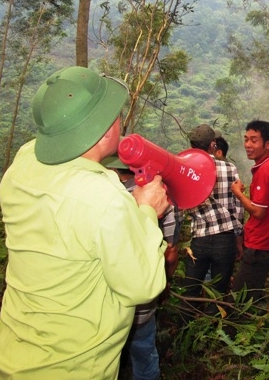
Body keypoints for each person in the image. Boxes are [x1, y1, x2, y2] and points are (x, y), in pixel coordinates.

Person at [0, 66, 169, 379]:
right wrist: (146, 211)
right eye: (115, 115)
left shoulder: (22, 163)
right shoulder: (104, 199)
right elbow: (143, 285)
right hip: (72, 365)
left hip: (12, 354)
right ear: (105, 130)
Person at [102, 157, 180, 380]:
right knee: (145, 357)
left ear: (113, 166)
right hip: (143, 308)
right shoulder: (159, 196)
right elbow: (171, 252)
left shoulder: (106, 196)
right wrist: (163, 285)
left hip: (108, 305)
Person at [180, 124, 244, 318]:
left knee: (190, 291)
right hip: (224, 239)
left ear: (191, 145)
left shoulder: (185, 169)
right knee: (217, 292)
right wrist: (239, 238)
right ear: (213, 144)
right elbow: (238, 205)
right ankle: (211, 333)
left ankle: (184, 332)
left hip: (198, 239)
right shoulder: (229, 168)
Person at [231, 120, 269, 303]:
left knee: (241, 297)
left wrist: (238, 193)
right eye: (246, 139)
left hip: (261, 244)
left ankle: (234, 329)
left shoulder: (266, 170)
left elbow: (258, 212)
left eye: (254, 140)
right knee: (253, 290)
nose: (248, 145)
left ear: (268, 144)